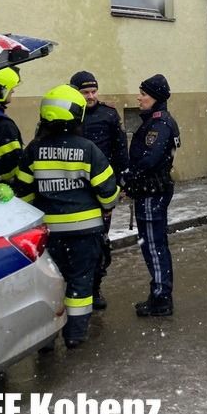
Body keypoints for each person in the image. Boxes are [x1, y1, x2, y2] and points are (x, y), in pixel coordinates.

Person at [14, 85, 119, 348]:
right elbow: (108, 193)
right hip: (85, 233)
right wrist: (106, 205)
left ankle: (47, 339)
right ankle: (75, 334)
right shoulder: (88, 149)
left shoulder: (34, 150)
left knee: (50, 285)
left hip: (47, 234)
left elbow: (22, 193)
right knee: (80, 282)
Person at [69, 71, 129, 311]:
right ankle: (73, 288)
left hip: (102, 190)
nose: (91, 96)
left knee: (99, 240)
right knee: (72, 243)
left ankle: (94, 287)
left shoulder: (108, 114)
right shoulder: (67, 114)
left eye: (94, 91)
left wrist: (122, 181)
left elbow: (120, 149)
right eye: (85, 93)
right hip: (72, 191)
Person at [124, 74, 181, 317]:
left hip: (152, 191)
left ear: (155, 97)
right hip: (151, 190)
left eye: (144, 94)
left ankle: (161, 298)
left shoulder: (159, 124)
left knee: (154, 246)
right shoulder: (157, 121)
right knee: (154, 244)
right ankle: (159, 293)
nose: (139, 97)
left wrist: (129, 176)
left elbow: (150, 159)